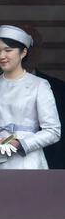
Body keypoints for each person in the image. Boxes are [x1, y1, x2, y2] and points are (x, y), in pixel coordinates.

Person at [0, 25, 61, 169]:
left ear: (23, 52)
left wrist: (21, 143)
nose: (2, 56)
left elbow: (53, 131)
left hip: (28, 163)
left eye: (8, 50)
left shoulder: (39, 85)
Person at [23, 25, 65, 169]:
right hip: (4, 172)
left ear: (40, 50)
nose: (27, 52)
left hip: (50, 173)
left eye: (33, 46)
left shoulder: (59, 89)